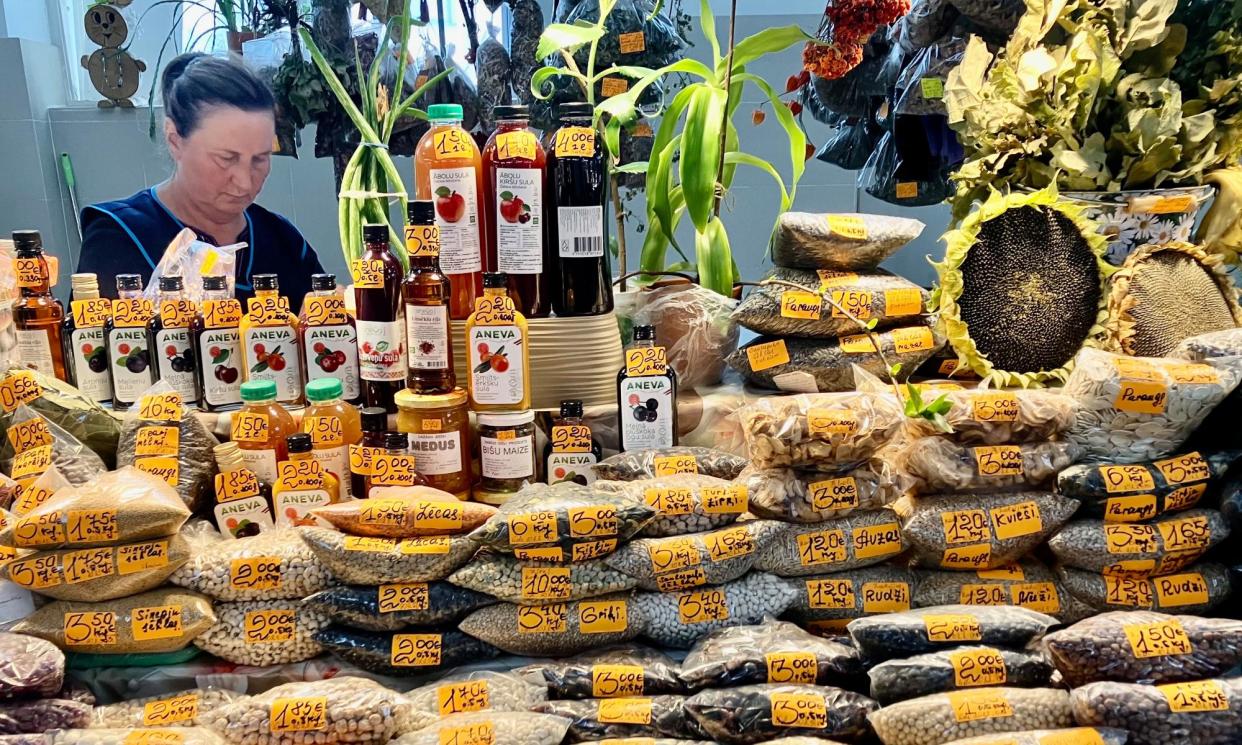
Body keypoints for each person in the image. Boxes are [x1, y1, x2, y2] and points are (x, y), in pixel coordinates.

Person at [78, 52, 324, 311]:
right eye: (226, 158)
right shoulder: (120, 237)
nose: (244, 182)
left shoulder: (282, 241)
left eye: (260, 159)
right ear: (174, 139)